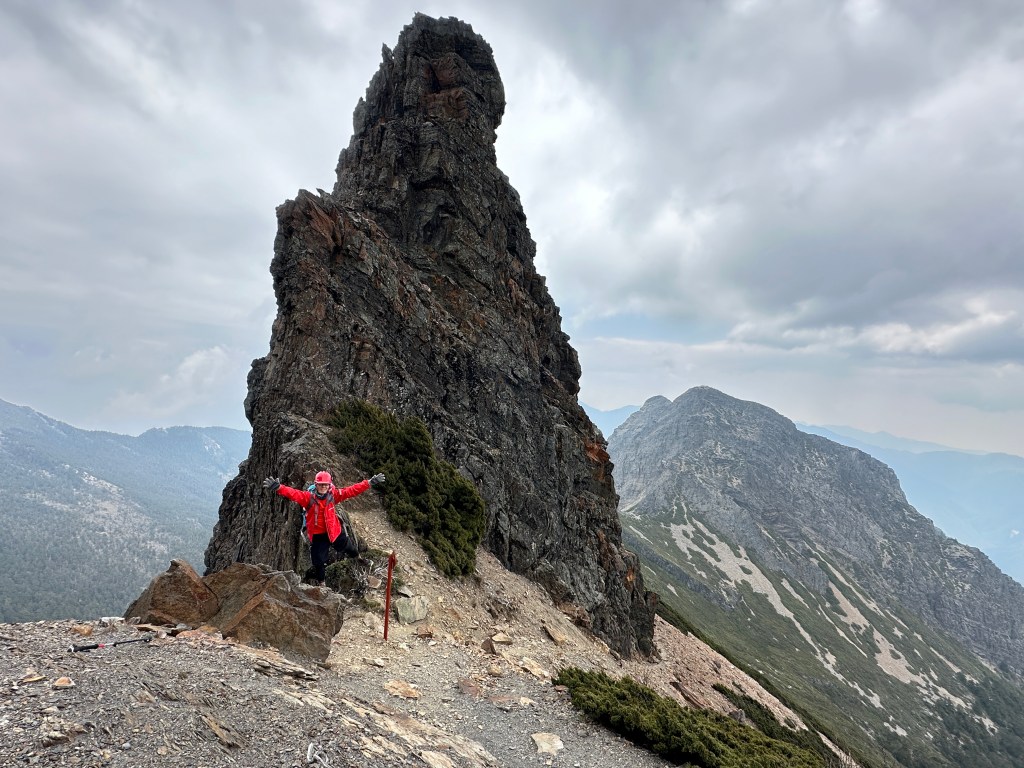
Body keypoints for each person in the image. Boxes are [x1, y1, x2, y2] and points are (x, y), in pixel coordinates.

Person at [262, 470, 385, 586]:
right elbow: (293, 494)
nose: (323, 487)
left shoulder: (334, 495)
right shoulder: (308, 498)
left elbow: (351, 491)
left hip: (334, 531)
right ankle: (322, 584)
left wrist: (369, 482)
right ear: (316, 485)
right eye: (321, 485)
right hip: (318, 535)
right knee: (319, 562)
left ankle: (359, 559)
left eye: (326, 484)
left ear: (329, 485)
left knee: (349, 547)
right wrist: (279, 488)